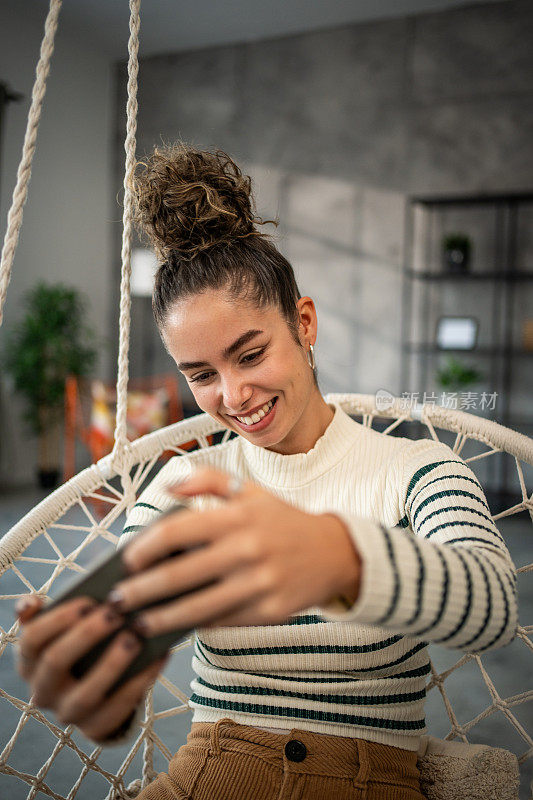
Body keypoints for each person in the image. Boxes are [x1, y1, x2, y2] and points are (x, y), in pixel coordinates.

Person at [16, 144, 518, 800]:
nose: (232, 395)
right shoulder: (184, 485)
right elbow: (121, 692)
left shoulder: (417, 469)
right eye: (201, 374)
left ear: (303, 323)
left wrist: (340, 558)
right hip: (209, 775)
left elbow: (493, 609)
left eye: (249, 353)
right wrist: (100, 690)